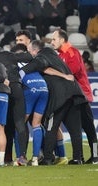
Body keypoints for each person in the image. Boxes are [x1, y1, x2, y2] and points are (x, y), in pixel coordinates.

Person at [20, 40, 86, 165]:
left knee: (51, 127)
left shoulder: (41, 57)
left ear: (35, 51)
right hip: (74, 93)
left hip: (60, 96)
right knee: (75, 129)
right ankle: (78, 158)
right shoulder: (55, 56)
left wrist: (20, 73)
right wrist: (65, 76)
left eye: (29, 51)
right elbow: (47, 68)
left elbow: (41, 66)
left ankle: (48, 158)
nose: (28, 54)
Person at [51, 29, 98, 164]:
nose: (52, 42)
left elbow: (73, 71)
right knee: (77, 128)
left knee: (87, 128)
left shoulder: (71, 52)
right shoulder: (60, 55)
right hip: (72, 96)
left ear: (62, 39)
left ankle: (93, 156)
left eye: (54, 39)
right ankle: (81, 157)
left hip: (80, 95)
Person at [12, 44, 48, 166]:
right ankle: (35, 159)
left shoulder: (14, 63)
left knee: (20, 123)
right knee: (36, 124)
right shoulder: (33, 60)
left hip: (30, 89)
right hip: (43, 87)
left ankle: (20, 157)